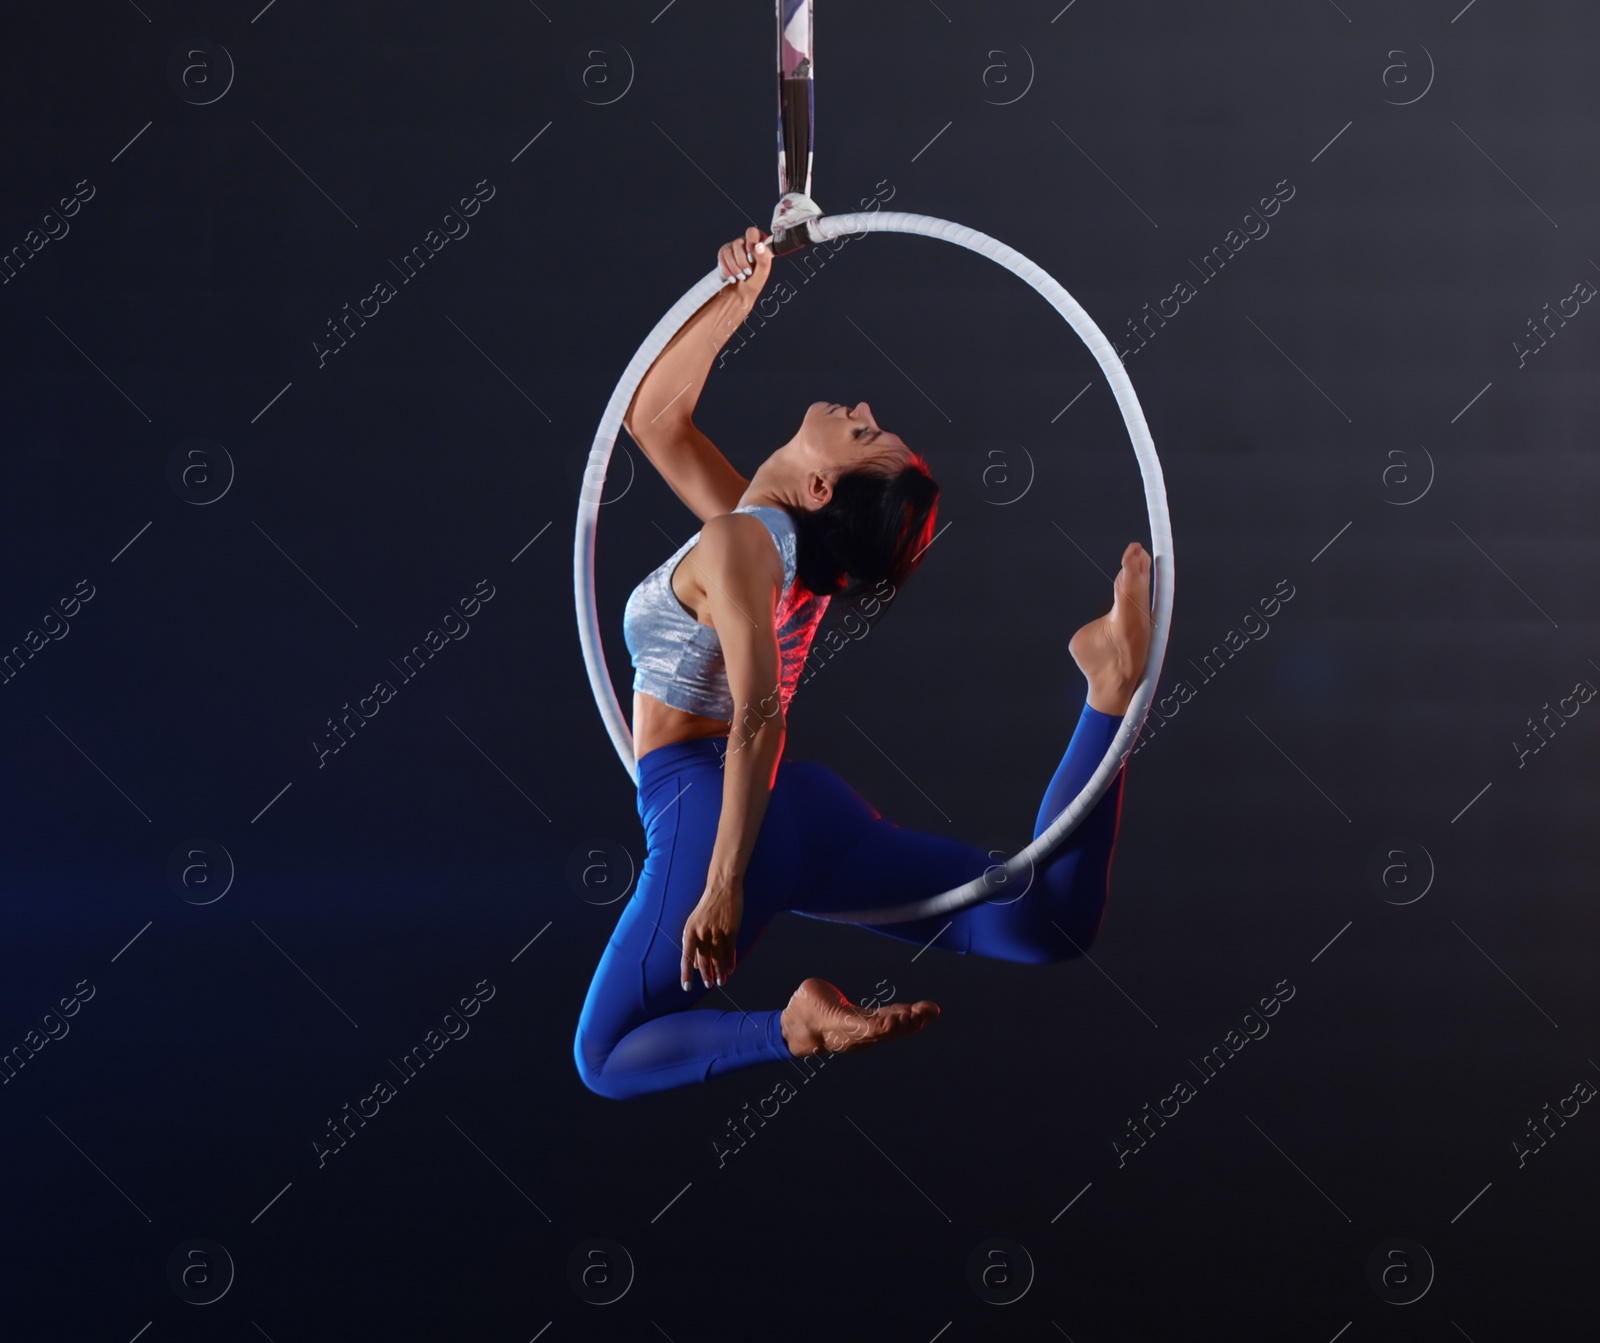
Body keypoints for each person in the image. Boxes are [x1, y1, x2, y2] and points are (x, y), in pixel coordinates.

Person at [574, 226, 1152, 1100]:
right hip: (807, 816)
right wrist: (736, 298)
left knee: (605, 1057)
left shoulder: (738, 542)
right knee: (1043, 924)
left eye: (863, 439)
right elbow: (655, 420)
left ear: (818, 490)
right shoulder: (765, 538)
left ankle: (790, 1028)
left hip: (713, 805)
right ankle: (1107, 690)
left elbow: (760, 718)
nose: (864, 412)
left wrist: (724, 881)